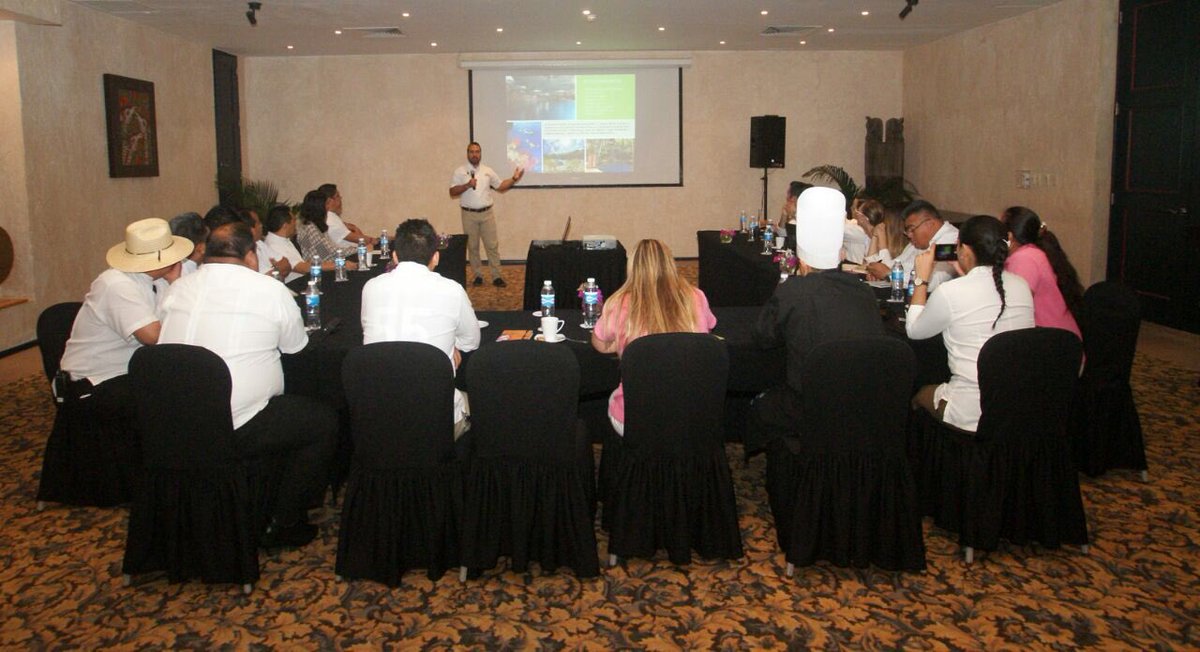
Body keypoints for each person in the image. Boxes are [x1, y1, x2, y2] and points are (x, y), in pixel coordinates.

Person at [158, 222, 337, 548]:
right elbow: (296, 349)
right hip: (237, 422)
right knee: (323, 421)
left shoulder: (177, 289)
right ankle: (285, 520)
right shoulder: (269, 290)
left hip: (173, 423)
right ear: (251, 256)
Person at [747, 187, 886, 454]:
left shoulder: (793, 291)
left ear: (804, 263)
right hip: (862, 404)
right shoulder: (863, 292)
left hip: (809, 405)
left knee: (760, 407)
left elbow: (762, 337)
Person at [906, 214, 1035, 433]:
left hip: (971, 410)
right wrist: (965, 272)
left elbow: (914, 331)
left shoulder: (951, 292)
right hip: (1016, 404)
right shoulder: (1021, 285)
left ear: (963, 250)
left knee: (917, 394)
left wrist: (921, 279)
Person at [59, 217, 192, 424]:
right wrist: (176, 286)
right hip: (97, 381)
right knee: (179, 402)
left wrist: (174, 284)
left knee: (189, 387)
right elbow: (153, 337)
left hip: (132, 371)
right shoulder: (115, 284)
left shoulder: (158, 281)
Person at [361, 218, 481, 438]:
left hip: (377, 417)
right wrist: (451, 345)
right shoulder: (451, 290)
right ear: (436, 257)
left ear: (395, 256)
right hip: (437, 419)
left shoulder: (371, 287)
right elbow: (472, 342)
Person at [591, 239, 717, 436]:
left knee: (614, 400)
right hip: (691, 414)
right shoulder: (696, 296)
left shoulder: (618, 303)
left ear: (632, 267)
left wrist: (624, 341)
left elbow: (600, 344)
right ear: (670, 263)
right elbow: (707, 331)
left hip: (634, 418)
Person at [1000, 206, 1083, 339]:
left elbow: (1015, 308)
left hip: (1051, 342)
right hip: (1058, 338)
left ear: (1009, 236)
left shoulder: (1024, 259)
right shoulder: (1033, 252)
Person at [448, 141, 524, 287]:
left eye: (477, 152)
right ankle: (478, 276)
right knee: (473, 247)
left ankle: (497, 276)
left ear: (480, 154)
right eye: (471, 151)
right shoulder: (460, 171)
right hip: (468, 214)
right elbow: (452, 192)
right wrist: (467, 185)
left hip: (487, 214)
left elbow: (501, 186)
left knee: (492, 246)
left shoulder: (487, 170)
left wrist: (514, 179)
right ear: (467, 154)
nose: (474, 154)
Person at [865, 199, 959, 291]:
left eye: (911, 229)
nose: (909, 235)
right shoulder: (918, 243)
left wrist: (890, 274)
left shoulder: (951, 240)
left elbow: (932, 283)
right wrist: (877, 271)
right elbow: (896, 264)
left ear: (929, 224)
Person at [262, 203, 338, 283]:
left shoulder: (282, 240)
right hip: (297, 285)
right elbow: (303, 268)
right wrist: (338, 265)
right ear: (285, 225)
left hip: (304, 280)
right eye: (294, 220)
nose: (295, 224)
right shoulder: (274, 246)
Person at [296, 189, 359, 267]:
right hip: (319, 271)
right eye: (326, 204)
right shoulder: (310, 228)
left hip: (327, 266)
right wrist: (359, 249)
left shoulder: (315, 225)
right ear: (319, 207)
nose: (328, 207)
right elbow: (330, 252)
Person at [317, 183, 373, 248]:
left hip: (354, 251)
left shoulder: (331, 216)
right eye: (337, 196)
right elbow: (359, 239)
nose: (340, 198)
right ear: (329, 200)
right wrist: (375, 241)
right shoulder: (330, 219)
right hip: (349, 254)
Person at [863, 202, 908, 278]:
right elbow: (871, 266)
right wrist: (875, 236)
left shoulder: (909, 250)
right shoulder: (888, 246)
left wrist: (882, 241)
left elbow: (884, 271)